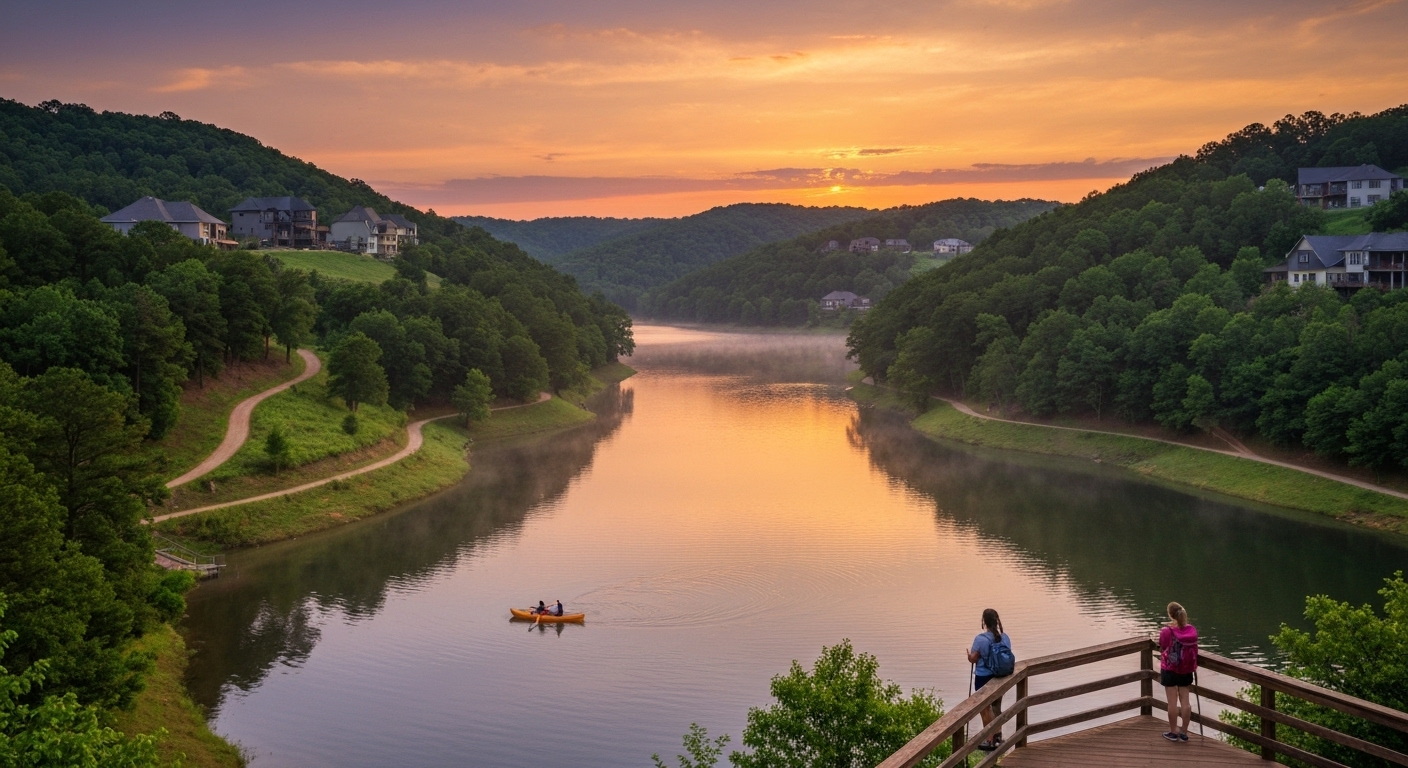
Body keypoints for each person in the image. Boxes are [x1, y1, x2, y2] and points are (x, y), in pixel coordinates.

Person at [966, 608, 1014, 752]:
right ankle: (998, 736)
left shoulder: (980, 639)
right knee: (996, 707)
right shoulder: (1004, 637)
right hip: (1000, 677)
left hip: (983, 678)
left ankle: (990, 739)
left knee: (984, 709)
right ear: (997, 620)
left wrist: (969, 656)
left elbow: (974, 659)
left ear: (984, 622)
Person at [1159, 601, 1199, 743]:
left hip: (1170, 668)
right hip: (1186, 669)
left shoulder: (1167, 631)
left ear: (1170, 615)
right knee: (1185, 701)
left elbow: (1163, 646)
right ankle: (1184, 732)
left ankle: (1173, 731)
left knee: (1172, 702)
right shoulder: (1192, 630)